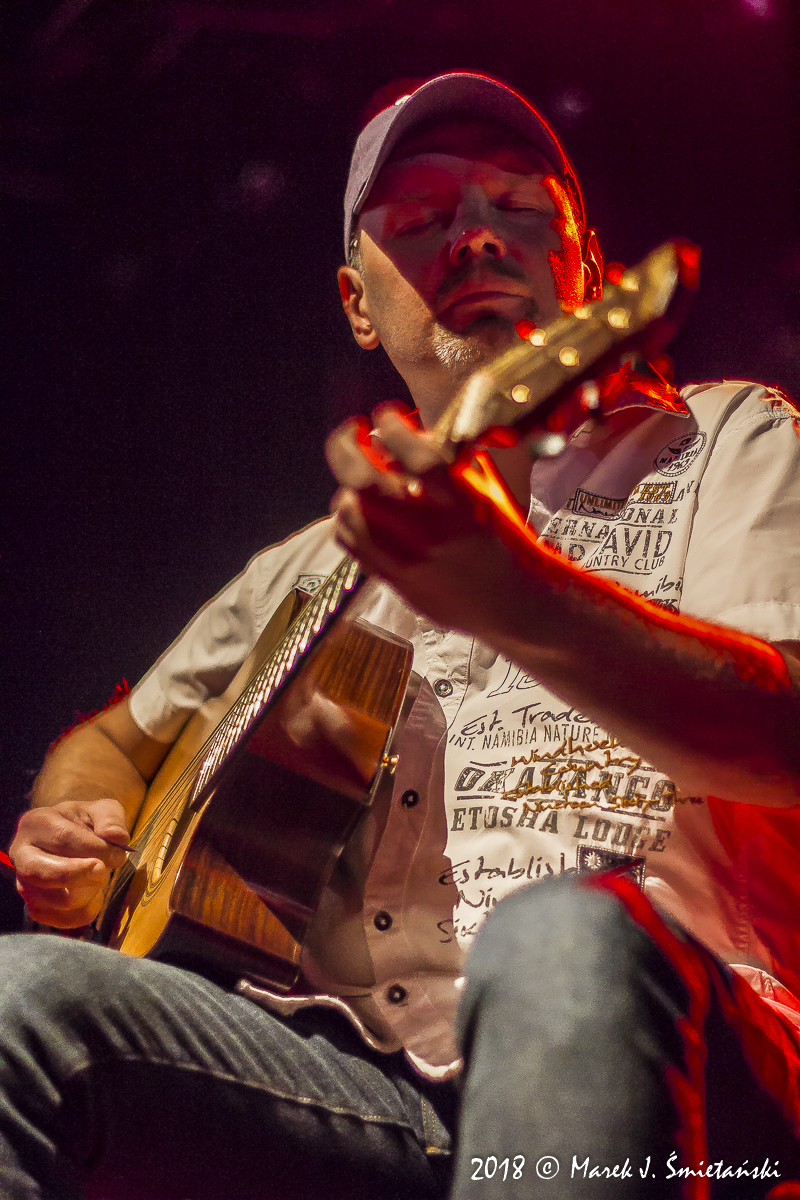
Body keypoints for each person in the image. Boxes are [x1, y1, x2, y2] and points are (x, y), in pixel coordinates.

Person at [4, 71, 800, 1200]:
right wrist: (74, 829)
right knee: (17, 999)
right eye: (422, 220)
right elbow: (115, 741)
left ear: (584, 268)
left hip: (684, 1070)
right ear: (357, 307)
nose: (475, 237)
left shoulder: (728, 440)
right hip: (354, 1084)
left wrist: (515, 595)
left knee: (559, 942)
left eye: (516, 207)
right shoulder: (312, 564)